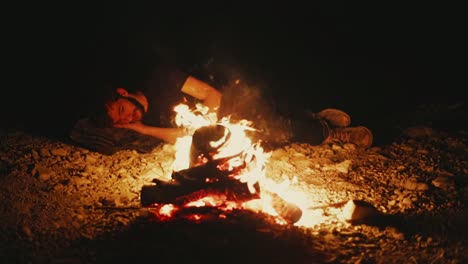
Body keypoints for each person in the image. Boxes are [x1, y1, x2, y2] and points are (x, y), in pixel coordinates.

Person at [70, 61, 373, 155]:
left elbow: (210, 93)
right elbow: (183, 138)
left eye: (122, 109)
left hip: (233, 101)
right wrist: (140, 128)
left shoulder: (160, 78)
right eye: (121, 120)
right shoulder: (149, 123)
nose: (128, 116)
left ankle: (330, 132)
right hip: (223, 127)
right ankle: (315, 119)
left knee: (273, 125)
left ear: (124, 93)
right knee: (266, 140)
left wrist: (216, 124)